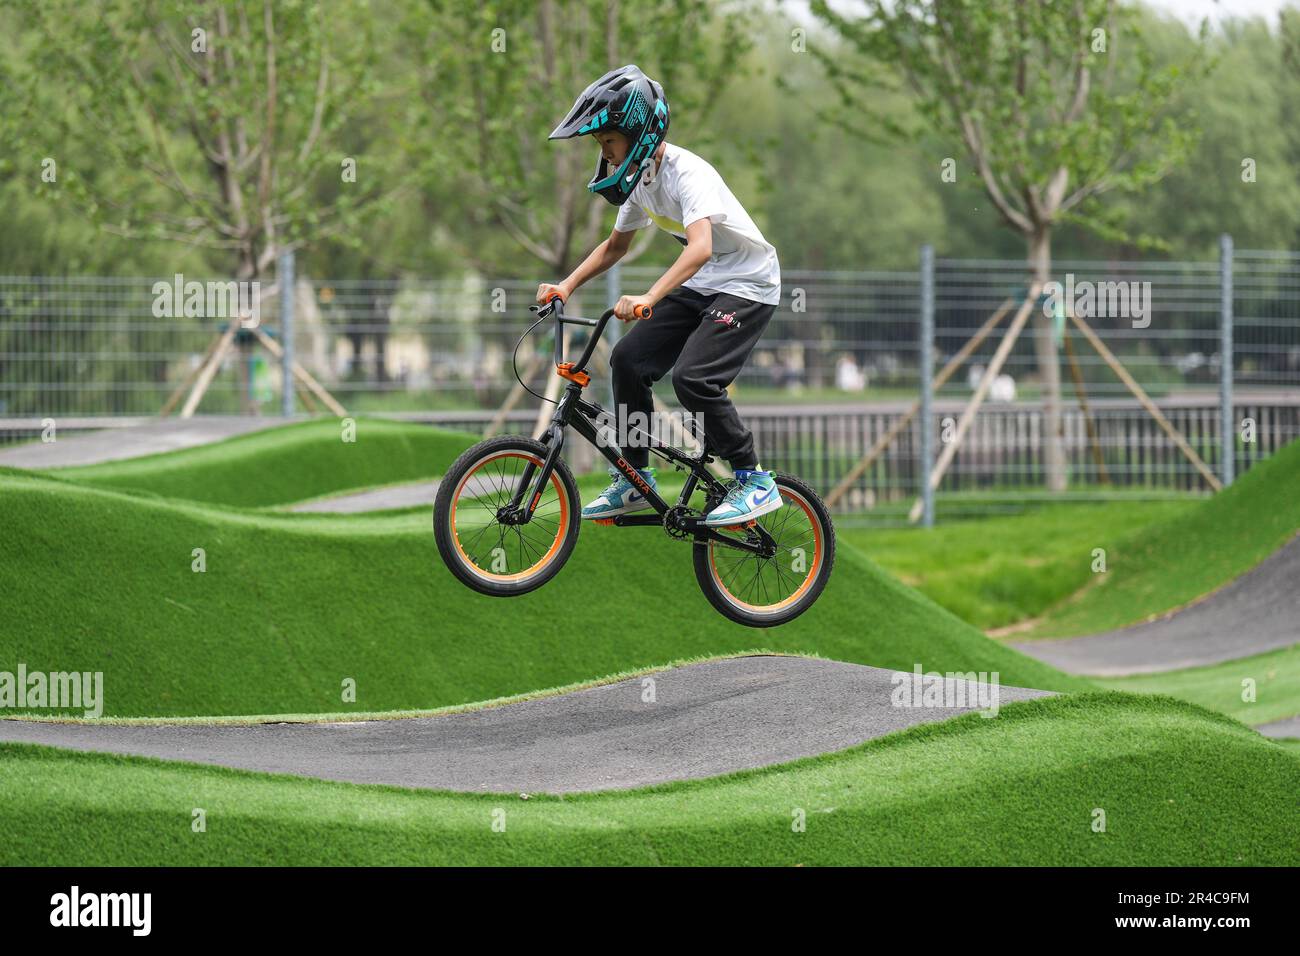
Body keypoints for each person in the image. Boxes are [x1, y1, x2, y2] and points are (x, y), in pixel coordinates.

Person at [537, 64, 783, 527]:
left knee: (693, 379)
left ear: (640, 134)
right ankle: (636, 478)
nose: (606, 155)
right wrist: (566, 285)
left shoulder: (688, 174)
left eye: (609, 141)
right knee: (628, 361)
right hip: (703, 283)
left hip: (748, 284)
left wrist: (650, 295)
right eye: (601, 145)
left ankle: (754, 479)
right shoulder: (641, 184)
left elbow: (702, 246)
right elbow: (615, 247)